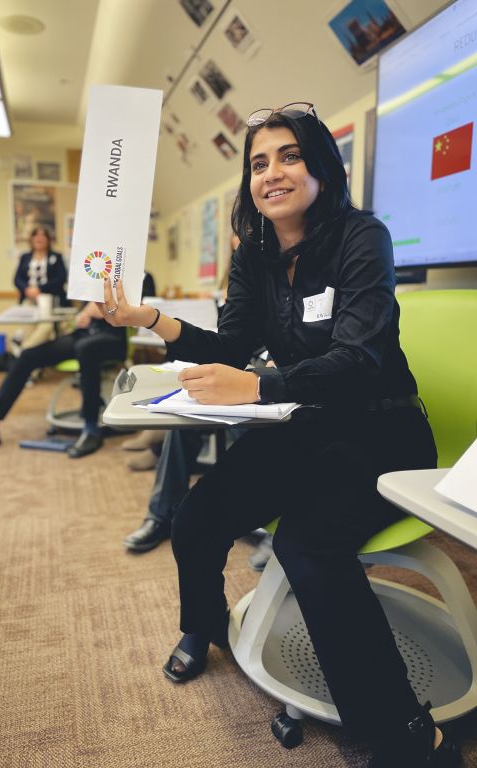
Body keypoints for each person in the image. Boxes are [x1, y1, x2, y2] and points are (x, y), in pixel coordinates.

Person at [95, 103, 456, 767]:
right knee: (197, 515)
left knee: (307, 544)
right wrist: (150, 317)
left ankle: (406, 734)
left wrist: (258, 387)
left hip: (383, 430)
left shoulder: (361, 238)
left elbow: (360, 360)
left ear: (321, 167)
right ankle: (201, 628)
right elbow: (233, 342)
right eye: (259, 163)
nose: (272, 173)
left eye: (289, 156)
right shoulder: (256, 256)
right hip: (307, 425)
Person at [0, 301, 126, 458]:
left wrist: (107, 311)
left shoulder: (140, 277)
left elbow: (140, 312)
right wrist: (83, 314)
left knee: (86, 350)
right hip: (82, 335)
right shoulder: (96, 273)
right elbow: (85, 309)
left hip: (113, 339)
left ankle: (90, 428)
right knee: (27, 356)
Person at [12, 227, 68, 351]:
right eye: (35, 235)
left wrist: (40, 289)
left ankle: (24, 352)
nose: (39, 238)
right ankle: (31, 366)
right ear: (31, 239)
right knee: (27, 329)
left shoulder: (56, 257)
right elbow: (17, 279)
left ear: (48, 240)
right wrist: (27, 289)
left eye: (43, 235)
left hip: (49, 300)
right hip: (28, 299)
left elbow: (61, 278)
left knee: (46, 328)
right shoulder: (25, 257)